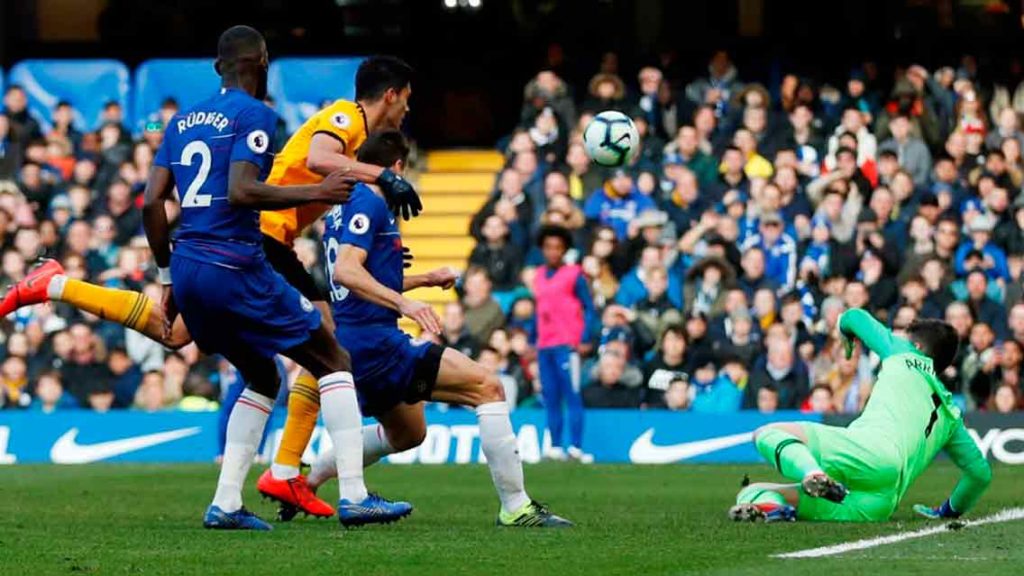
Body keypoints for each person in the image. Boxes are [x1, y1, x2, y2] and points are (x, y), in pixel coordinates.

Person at [0, 53, 423, 520]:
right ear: (392, 95)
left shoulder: (207, 121)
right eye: (406, 99)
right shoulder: (345, 116)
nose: (407, 109)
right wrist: (381, 174)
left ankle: (57, 285)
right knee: (329, 349)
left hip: (245, 241)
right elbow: (321, 159)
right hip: (260, 236)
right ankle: (298, 475)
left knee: (185, 336)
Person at [141, 25, 409, 531]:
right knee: (334, 358)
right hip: (236, 261)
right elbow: (243, 191)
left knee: (263, 375)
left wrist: (167, 277)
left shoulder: (178, 122)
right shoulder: (256, 115)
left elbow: (152, 202)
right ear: (259, 62)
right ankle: (353, 495)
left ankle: (224, 504)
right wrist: (319, 192)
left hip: (190, 263)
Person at [302, 130, 571, 527]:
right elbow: (346, 271)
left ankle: (309, 483)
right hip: (377, 342)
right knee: (488, 386)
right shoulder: (368, 202)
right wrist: (406, 303)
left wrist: (423, 279)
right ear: (395, 168)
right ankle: (517, 506)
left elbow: (358, 277)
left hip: (356, 341)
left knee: (409, 434)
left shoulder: (341, 208)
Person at [731, 308, 991, 523]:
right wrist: (948, 511)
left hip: (868, 452)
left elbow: (852, 316)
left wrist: (846, 338)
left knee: (766, 433)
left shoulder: (905, 354)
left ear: (917, 346)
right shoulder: (950, 413)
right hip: (879, 503)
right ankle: (775, 509)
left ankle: (812, 473)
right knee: (752, 492)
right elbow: (980, 473)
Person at [532, 225, 595, 463]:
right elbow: (540, 310)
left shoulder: (575, 275)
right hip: (545, 345)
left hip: (568, 345)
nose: (553, 252)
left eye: (558, 247)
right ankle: (556, 446)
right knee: (550, 396)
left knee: (572, 394)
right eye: (548, 247)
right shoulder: (538, 275)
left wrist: (585, 338)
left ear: (565, 250)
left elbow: (589, 308)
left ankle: (576, 447)